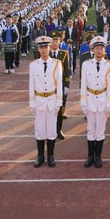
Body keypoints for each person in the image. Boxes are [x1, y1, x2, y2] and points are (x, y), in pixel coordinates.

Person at [80, 35, 110, 168]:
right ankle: (90, 156)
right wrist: (83, 102)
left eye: (101, 48)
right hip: (90, 99)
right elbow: (83, 85)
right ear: (92, 50)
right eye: (96, 48)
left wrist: (109, 104)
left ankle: (98, 156)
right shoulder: (86, 64)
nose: (99, 51)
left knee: (100, 130)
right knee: (90, 129)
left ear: (105, 50)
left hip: (103, 99)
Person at [29, 35, 63, 168]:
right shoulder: (33, 65)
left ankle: (50, 155)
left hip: (52, 100)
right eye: (41, 48)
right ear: (39, 50)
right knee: (39, 130)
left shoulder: (56, 64)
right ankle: (40, 156)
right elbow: (31, 85)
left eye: (46, 47)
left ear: (50, 48)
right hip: (39, 101)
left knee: (51, 130)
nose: (44, 50)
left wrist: (59, 103)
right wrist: (32, 103)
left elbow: (59, 84)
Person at [47, 30, 71, 139]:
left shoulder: (64, 54)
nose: (55, 42)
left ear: (59, 41)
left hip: (60, 87)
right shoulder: (46, 54)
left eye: (56, 40)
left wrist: (66, 86)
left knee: (60, 110)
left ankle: (59, 130)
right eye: (53, 41)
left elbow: (67, 71)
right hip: (49, 87)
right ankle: (50, 130)